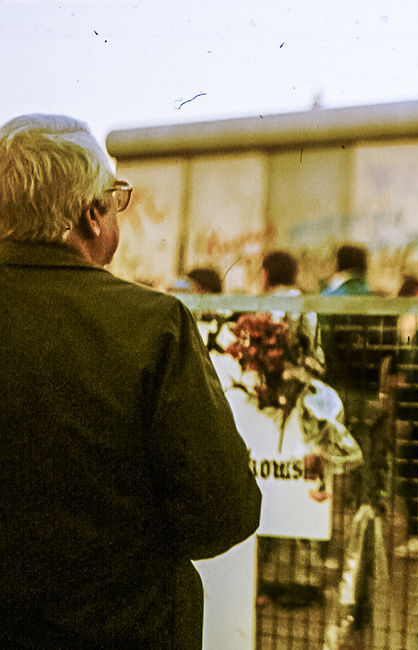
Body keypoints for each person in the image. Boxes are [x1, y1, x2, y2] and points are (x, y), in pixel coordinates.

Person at [0, 114, 261, 648]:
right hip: (122, 626)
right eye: (115, 199)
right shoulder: (152, 324)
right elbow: (224, 511)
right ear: (92, 215)